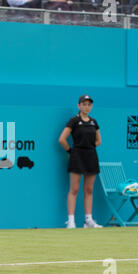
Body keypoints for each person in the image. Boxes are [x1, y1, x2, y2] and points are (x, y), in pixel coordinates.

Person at [58, 95, 102, 229]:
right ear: (79, 106)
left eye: (89, 104)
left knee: (89, 190)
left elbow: (99, 141)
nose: (86, 106)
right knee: (74, 189)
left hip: (91, 157)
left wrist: (89, 147)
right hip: (77, 156)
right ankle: (71, 221)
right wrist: (71, 151)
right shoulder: (74, 121)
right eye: (84, 104)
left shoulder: (94, 122)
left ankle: (88, 220)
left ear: (91, 106)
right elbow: (62, 139)